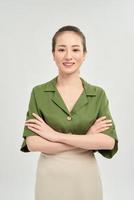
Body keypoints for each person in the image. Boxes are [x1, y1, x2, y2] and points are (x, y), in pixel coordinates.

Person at [20, 25, 118, 200]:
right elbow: (33, 142)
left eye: (75, 49)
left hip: (85, 177)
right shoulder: (39, 93)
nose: (68, 56)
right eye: (61, 49)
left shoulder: (97, 94)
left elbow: (108, 142)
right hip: (50, 176)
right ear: (53, 54)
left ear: (84, 54)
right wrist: (87, 139)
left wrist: (54, 135)